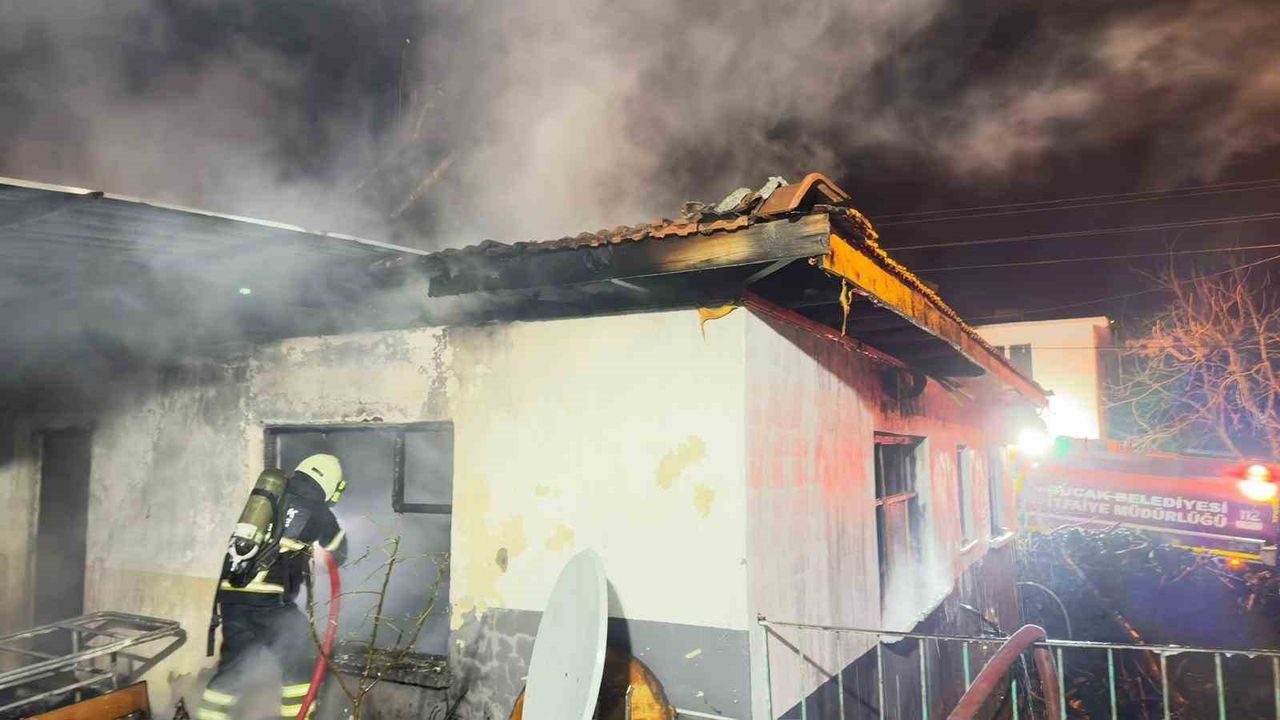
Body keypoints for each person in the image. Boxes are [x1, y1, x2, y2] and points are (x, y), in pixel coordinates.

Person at [199, 454, 348, 720]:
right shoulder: (319, 511)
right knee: (300, 663)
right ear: (330, 484)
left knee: (231, 670)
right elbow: (340, 553)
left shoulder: (270, 498)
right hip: (269, 602)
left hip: (232, 597)